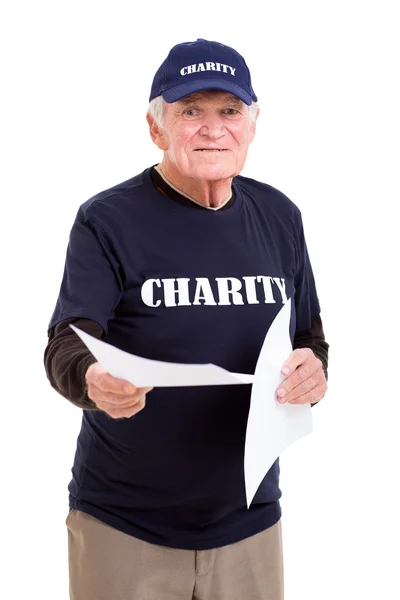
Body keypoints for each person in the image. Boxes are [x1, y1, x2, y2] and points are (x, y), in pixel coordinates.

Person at [44, 38, 329, 600]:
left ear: (252, 124)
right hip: (125, 525)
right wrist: (94, 381)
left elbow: (310, 338)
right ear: (157, 128)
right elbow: (66, 344)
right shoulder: (107, 220)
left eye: (229, 111)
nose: (212, 128)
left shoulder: (280, 216)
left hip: (250, 521)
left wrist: (313, 373)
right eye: (190, 111)